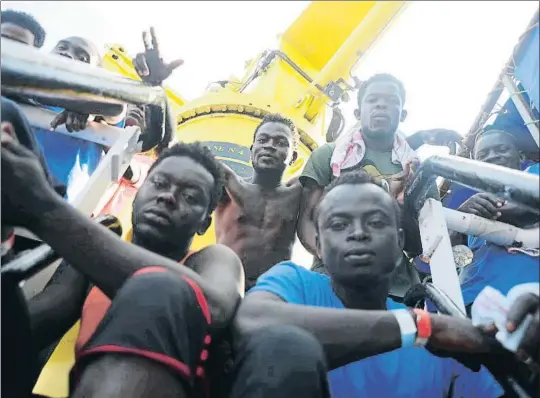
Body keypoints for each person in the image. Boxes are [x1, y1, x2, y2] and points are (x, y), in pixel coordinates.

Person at [236, 171, 504, 398]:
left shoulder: (442, 348)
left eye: (375, 222)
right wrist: (419, 327)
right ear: (318, 245)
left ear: (399, 242)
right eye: (339, 224)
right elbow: (252, 324)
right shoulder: (294, 284)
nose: (358, 233)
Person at [298, 73, 461, 276]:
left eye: (391, 101)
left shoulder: (418, 171)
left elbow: (422, 242)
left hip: (395, 287)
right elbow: (307, 219)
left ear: (402, 115)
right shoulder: (329, 155)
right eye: (372, 100)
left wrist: (401, 204)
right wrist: (329, 256)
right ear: (357, 113)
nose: (381, 106)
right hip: (330, 277)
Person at [214, 113, 302, 290]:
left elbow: (336, 167)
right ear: (252, 149)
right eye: (263, 140)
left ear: (293, 157)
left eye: (280, 142)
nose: (269, 146)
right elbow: (181, 155)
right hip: (224, 284)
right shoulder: (227, 186)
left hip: (273, 292)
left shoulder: (298, 193)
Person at [454, 129, 539, 308]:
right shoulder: (476, 205)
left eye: (501, 149)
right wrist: (459, 216)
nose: (492, 156)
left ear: (521, 156)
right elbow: (449, 250)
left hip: (526, 298)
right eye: (483, 154)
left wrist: (504, 209)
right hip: (472, 302)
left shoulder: (535, 174)